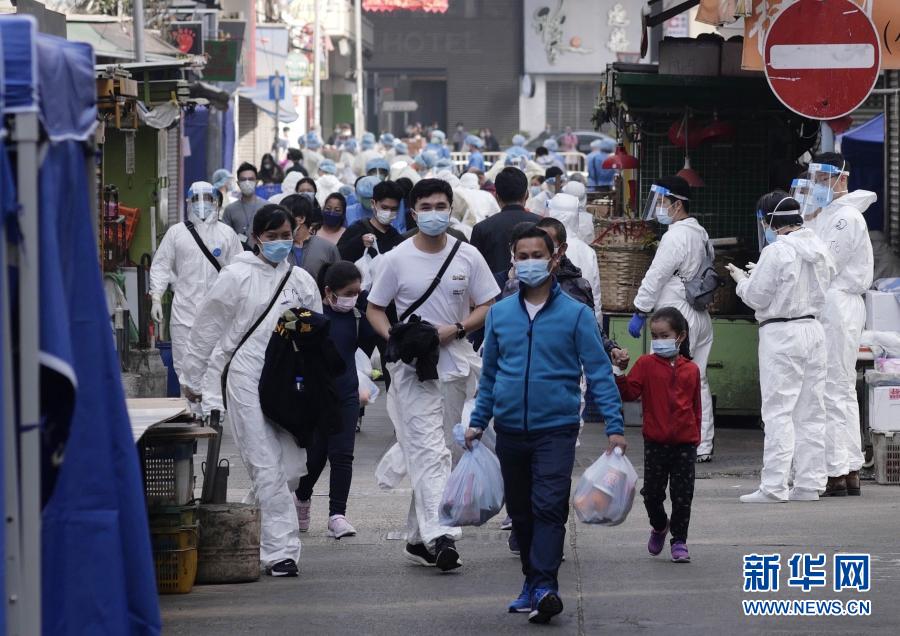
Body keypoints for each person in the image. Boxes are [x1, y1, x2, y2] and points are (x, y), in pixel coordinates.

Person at [465, 224, 625, 623]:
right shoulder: (500, 314)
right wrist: (479, 420)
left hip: (556, 429)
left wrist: (614, 426)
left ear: (554, 258)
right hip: (510, 431)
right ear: (513, 261)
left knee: (549, 507)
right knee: (520, 513)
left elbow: (600, 372)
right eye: (523, 256)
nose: (530, 262)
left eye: (539, 255)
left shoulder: (576, 315)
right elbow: (491, 375)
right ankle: (531, 582)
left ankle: (545, 586)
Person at [181, 205, 322, 577]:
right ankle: (281, 553)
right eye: (271, 235)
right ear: (256, 237)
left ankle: (256, 512)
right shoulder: (236, 275)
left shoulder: (302, 281)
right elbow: (207, 328)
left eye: (285, 234)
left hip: (289, 383)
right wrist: (193, 380)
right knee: (266, 465)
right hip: (245, 376)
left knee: (291, 469)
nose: (279, 242)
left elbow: (316, 337)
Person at [366, 179, 499, 573]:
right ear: (414, 211)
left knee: (443, 452)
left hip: (456, 364)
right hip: (413, 371)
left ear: (451, 209)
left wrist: (454, 330)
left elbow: (487, 303)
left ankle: (415, 540)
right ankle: (441, 536)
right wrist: (398, 337)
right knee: (429, 451)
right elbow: (374, 307)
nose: (435, 212)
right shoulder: (395, 259)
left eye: (442, 205)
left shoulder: (468, 255)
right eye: (427, 206)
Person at [726, 193, 834, 503]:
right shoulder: (818, 246)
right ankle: (809, 485)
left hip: (782, 334)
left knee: (778, 412)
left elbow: (757, 298)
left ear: (770, 221)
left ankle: (773, 486)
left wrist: (742, 281)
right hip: (813, 330)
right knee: (812, 411)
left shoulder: (776, 252)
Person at [801, 153, 875, 497]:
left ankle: (837, 469)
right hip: (833, 303)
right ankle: (846, 467)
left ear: (840, 179)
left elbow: (824, 261)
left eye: (820, 179)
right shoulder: (829, 214)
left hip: (837, 304)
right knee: (837, 387)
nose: (815, 186)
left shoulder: (846, 219)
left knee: (832, 386)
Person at [629, 176, 715, 463]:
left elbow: (657, 275)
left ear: (677, 205)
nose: (659, 209)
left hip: (678, 314)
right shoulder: (699, 232)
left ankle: (671, 440)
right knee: (698, 379)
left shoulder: (675, 236)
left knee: (668, 380)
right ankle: (701, 444)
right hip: (699, 316)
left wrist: (640, 309)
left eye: (663, 203)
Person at [296, 261, 377, 538]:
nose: (353, 297)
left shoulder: (357, 319)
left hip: (346, 394)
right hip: (315, 397)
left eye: (358, 292)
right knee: (316, 456)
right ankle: (302, 497)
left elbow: (370, 349)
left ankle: (337, 515)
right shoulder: (309, 318)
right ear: (328, 291)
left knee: (342, 455)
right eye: (348, 292)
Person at [615, 307, 699, 564]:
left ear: (680, 336)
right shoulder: (646, 365)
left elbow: (696, 408)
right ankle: (660, 525)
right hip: (655, 442)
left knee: (683, 496)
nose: (659, 341)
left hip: (685, 444)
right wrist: (619, 371)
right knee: (652, 493)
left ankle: (679, 541)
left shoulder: (691, 370)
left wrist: (696, 437)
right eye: (655, 336)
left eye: (664, 335)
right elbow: (628, 393)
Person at [150, 181, 243, 410]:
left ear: (215, 202)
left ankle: (213, 411)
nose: (202, 205)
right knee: (184, 363)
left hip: (217, 313)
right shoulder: (176, 233)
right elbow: (161, 265)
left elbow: (240, 271)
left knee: (214, 364)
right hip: (185, 310)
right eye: (197, 200)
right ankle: (190, 413)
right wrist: (156, 296)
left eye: (207, 199)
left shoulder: (226, 234)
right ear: (188, 202)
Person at [471, 167, 542, 274]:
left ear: (497, 196)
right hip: (535, 289)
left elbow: (474, 271)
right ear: (526, 195)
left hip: (494, 289)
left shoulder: (481, 228)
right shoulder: (542, 224)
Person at [546, 194, 602, 322]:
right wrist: (597, 328)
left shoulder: (541, 248)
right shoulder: (587, 251)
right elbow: (595, 297)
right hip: (581, 320)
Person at [338, 180, 405, 263]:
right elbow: (338, 258)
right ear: (373, 204)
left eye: (394, 209)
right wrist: (359, 242)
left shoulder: (397, 238)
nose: (389, 212)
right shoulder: (356, 229)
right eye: (384, 208)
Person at [283, 194, 339, 280]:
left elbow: (339, 282)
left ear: (301, 218)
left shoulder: (327, 248)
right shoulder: (278, 247)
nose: (281, 221)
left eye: (286, 217)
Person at [222, 162, 267, 249]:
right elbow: (225, 237)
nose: (247, 182)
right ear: (238, 183)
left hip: (263, 256)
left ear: (256, 182)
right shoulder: (230, 209)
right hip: (238, 256)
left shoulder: (267, 207)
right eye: (243, 179)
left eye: (250, 179)